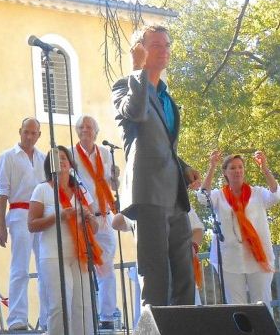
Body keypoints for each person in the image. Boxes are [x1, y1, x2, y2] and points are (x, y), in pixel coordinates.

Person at [112, 24, 200, 306]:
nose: (164, 51)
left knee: (185, 273)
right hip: (148, 194)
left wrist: (184, 166)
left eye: (166, 45)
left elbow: (164, 143)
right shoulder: (125, 85)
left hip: (174, 195)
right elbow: (136, 113)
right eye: (156, 46)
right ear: (140, 50)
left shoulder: (167, 97)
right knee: (155, 274)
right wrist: (138, 71)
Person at [28, 145, 100, 335]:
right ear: (49, 165)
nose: (60, 161)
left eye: (64, 158)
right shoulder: (42, 189)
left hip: (80, 254)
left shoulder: (81, 190)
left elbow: (96, 228)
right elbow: (32, 225)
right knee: (59, 306)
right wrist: (60, 216)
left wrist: (89, 217)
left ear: (70, 163)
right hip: (53, 255)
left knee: (82, 305)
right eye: (55, 158)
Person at [197, 150, 278, 306]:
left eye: (240, 167)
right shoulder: (218, 196)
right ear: (225, 172)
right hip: (230, 259)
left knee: (262, 303)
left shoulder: (257, 193)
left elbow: (275, 195)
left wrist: (265, 169)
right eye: (232, 168)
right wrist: (212, 166)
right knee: (237, 306)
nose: (237, 171)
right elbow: (203, 197)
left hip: (258, 257)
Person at [0, 117, 48, 331]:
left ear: (39, 135)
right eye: (26, 132)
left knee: (46, 266)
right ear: (20, 131)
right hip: (18, 213)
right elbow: (1, 193)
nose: (29, 136)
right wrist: (0, 225)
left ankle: (46, 317)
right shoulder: (7, 157)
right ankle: (17, 318)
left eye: (33, 133)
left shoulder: (44, 158)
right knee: (20, 268)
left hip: (42, 216)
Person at [71, 115, 119, 329]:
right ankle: (85, 315)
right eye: (81, 127)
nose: (85, 130)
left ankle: (107, 316)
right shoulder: (71, 154)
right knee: (82, 266)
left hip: (105, 216)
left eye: (89, 127)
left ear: (96, 132)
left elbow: (113, 184)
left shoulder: (106, 153)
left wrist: (116, 177)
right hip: (83, 218)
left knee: (106, 266)